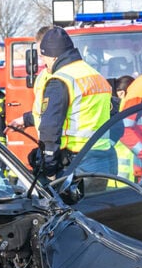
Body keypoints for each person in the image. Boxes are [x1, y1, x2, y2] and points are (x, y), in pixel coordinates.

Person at [33, 26, 113, 179]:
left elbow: (50, 128)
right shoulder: (95, 75)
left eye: (43, 57)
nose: (43, 62)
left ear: (53, 57)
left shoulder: (60, 80)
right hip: (103, 157)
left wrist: (49, 168)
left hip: (76, 162)